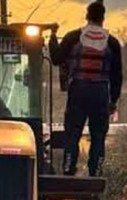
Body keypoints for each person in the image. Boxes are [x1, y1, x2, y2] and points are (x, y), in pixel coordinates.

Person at [49, 0, 122, 176]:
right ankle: (95, 172)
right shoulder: (112, 42)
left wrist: (52, 37)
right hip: (101, 92)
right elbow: (117, 75)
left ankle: (68, 169)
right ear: (103, 18)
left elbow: (57, 58)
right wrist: (113, 101)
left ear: (87, 16)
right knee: (98, 136)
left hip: (78, 90)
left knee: (72, 133)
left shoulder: (73, 37)